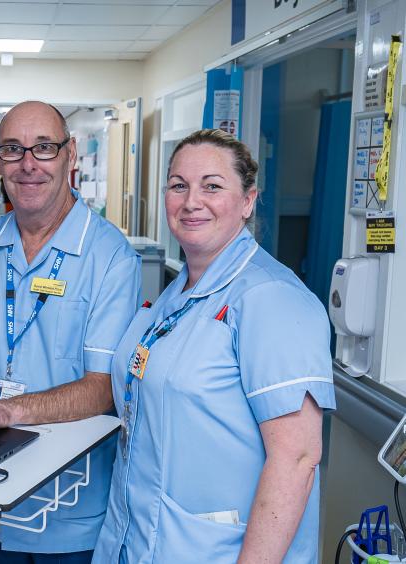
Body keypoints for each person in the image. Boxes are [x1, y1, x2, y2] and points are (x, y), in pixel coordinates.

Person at [93, 129, 336, 563]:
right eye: (178, 185)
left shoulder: (271, 298)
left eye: (212, 186)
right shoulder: (177, 293)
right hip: (141, 538)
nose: (191, 201)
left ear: (247, 201)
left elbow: (297, 458)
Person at [0, 101, 141, 563]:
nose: (28, 164)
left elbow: (102, 389)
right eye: (13, 149)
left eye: (44, 148)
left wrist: (7, 409)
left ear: (70, 157)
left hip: (74, 509)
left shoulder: (110, 258)